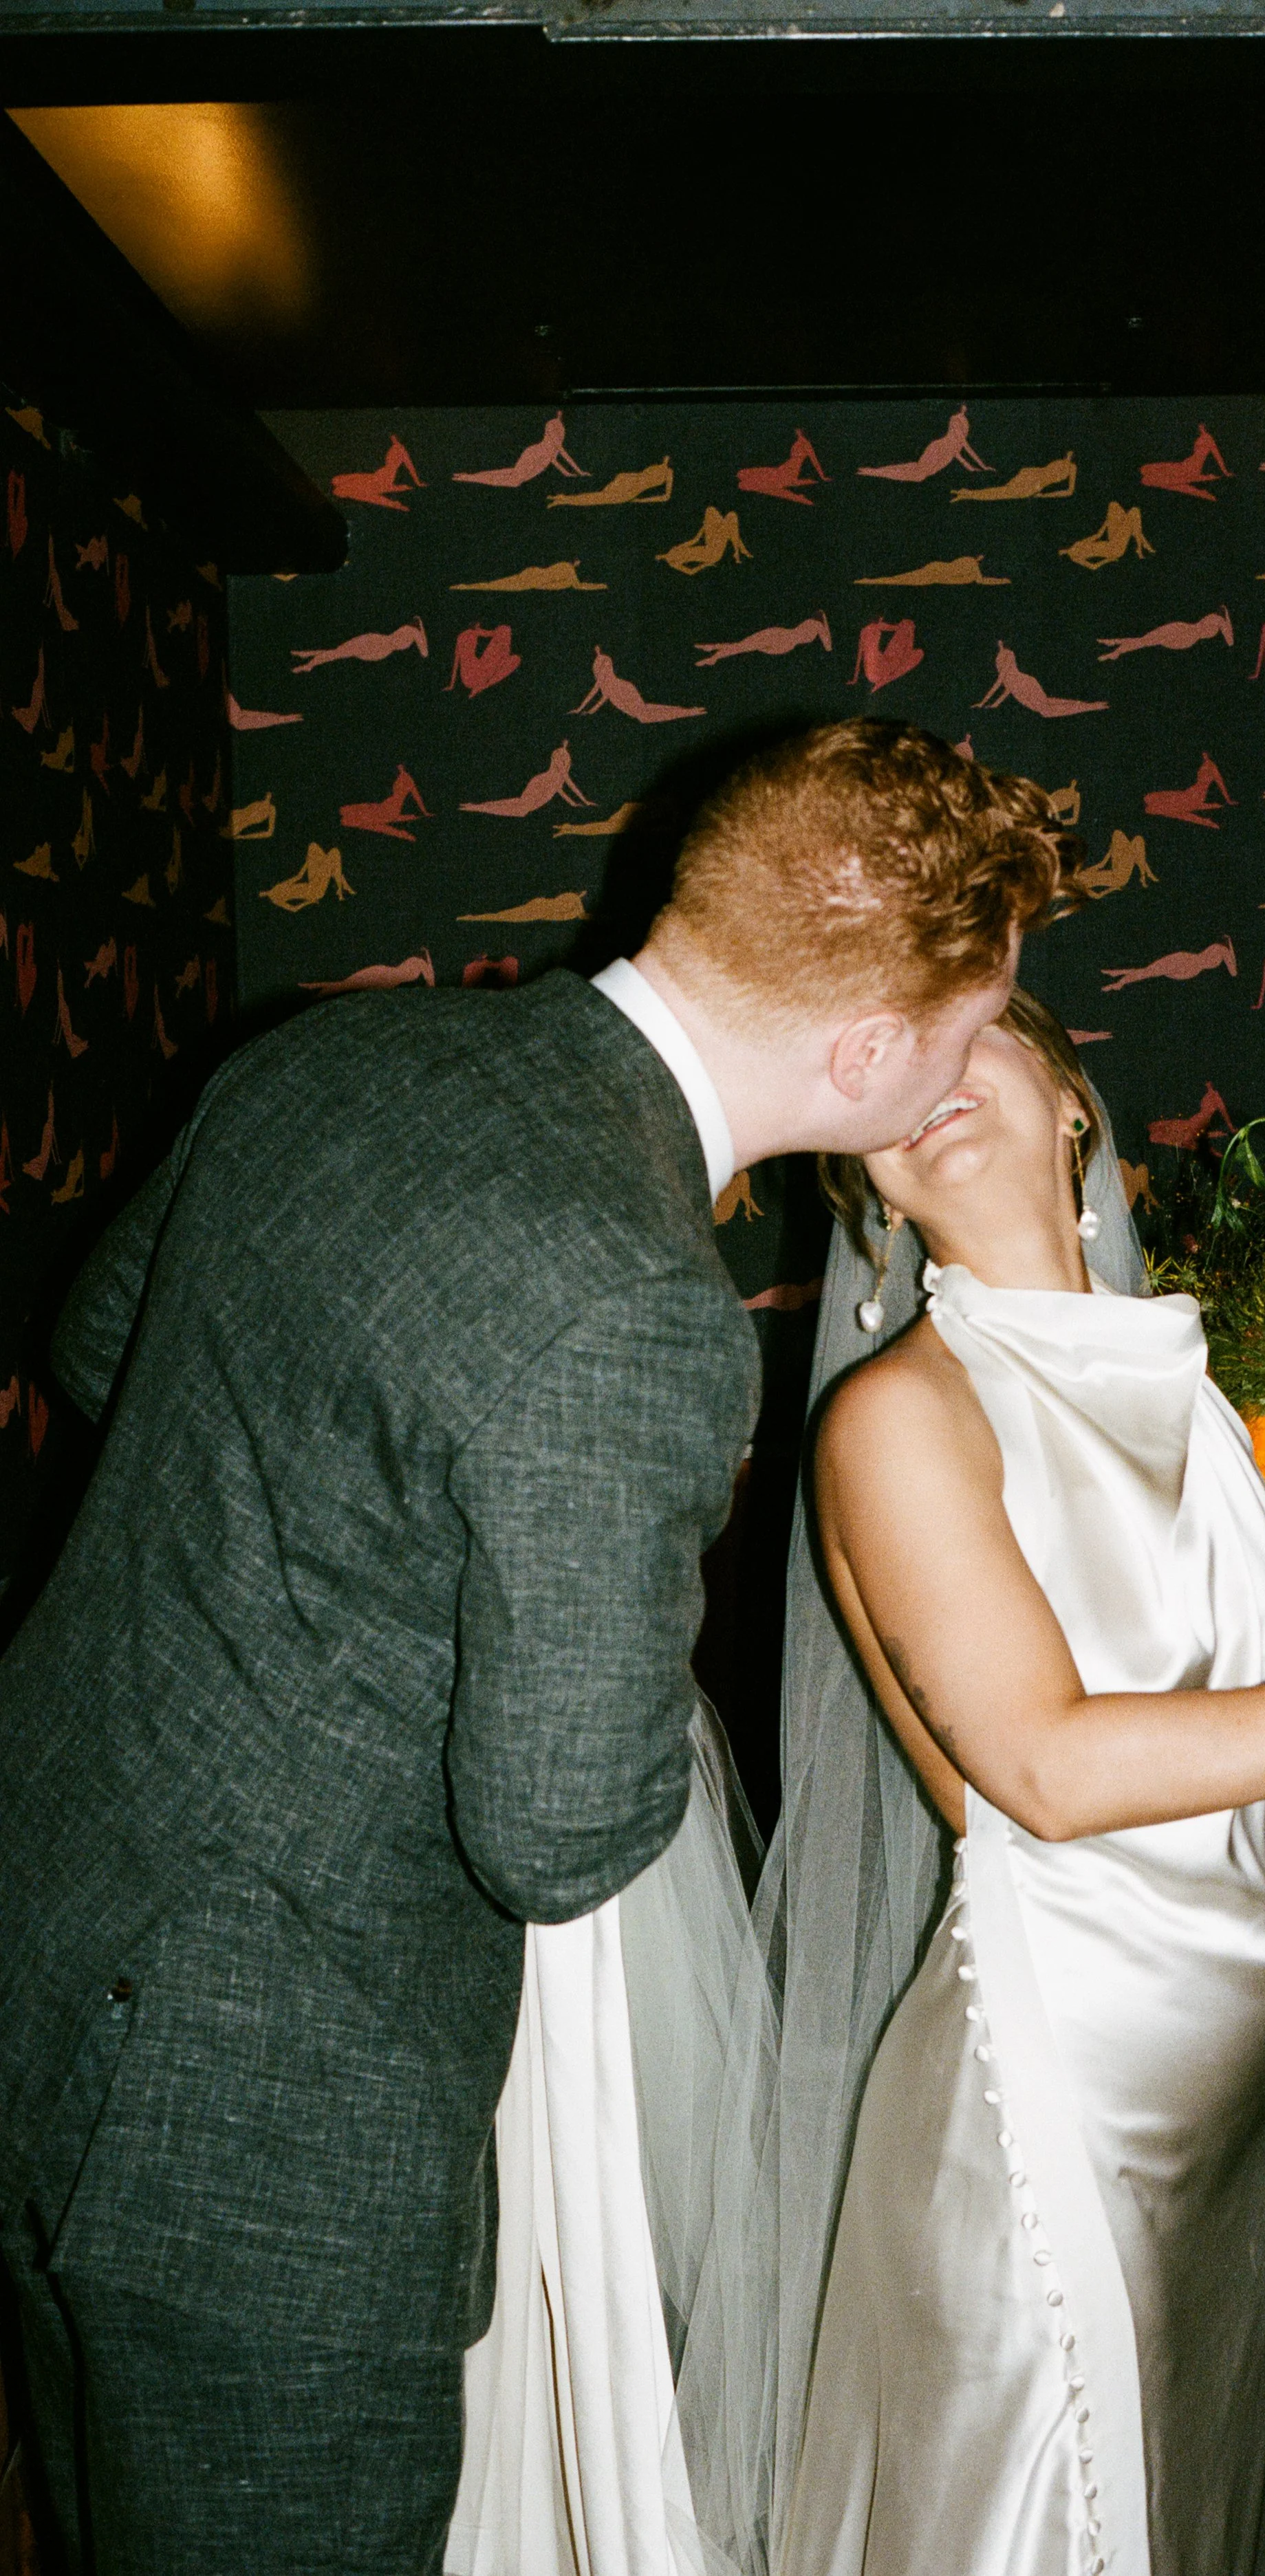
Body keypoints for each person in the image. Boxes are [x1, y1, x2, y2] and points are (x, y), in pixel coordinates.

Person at [0, 721, 1068, 2576]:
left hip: (42, 1907)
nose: (976, 1063)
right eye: (974, 1022)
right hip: (261, 2119)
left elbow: (106, 1344)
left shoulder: (330, 1051)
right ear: (869, 1054)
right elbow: (555, 1826)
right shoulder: (638, 1307)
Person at [766, 990, 1265, 2576]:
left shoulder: (1169, 1371)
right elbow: (1044, 1766)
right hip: (1050, 2117)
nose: (927, 1073)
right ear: (872, 1189)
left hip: (1208, 2120)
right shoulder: (897, 1418)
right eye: (885, 1064)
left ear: (1071, 1107)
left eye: (966, 1026)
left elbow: (1226, 1677)